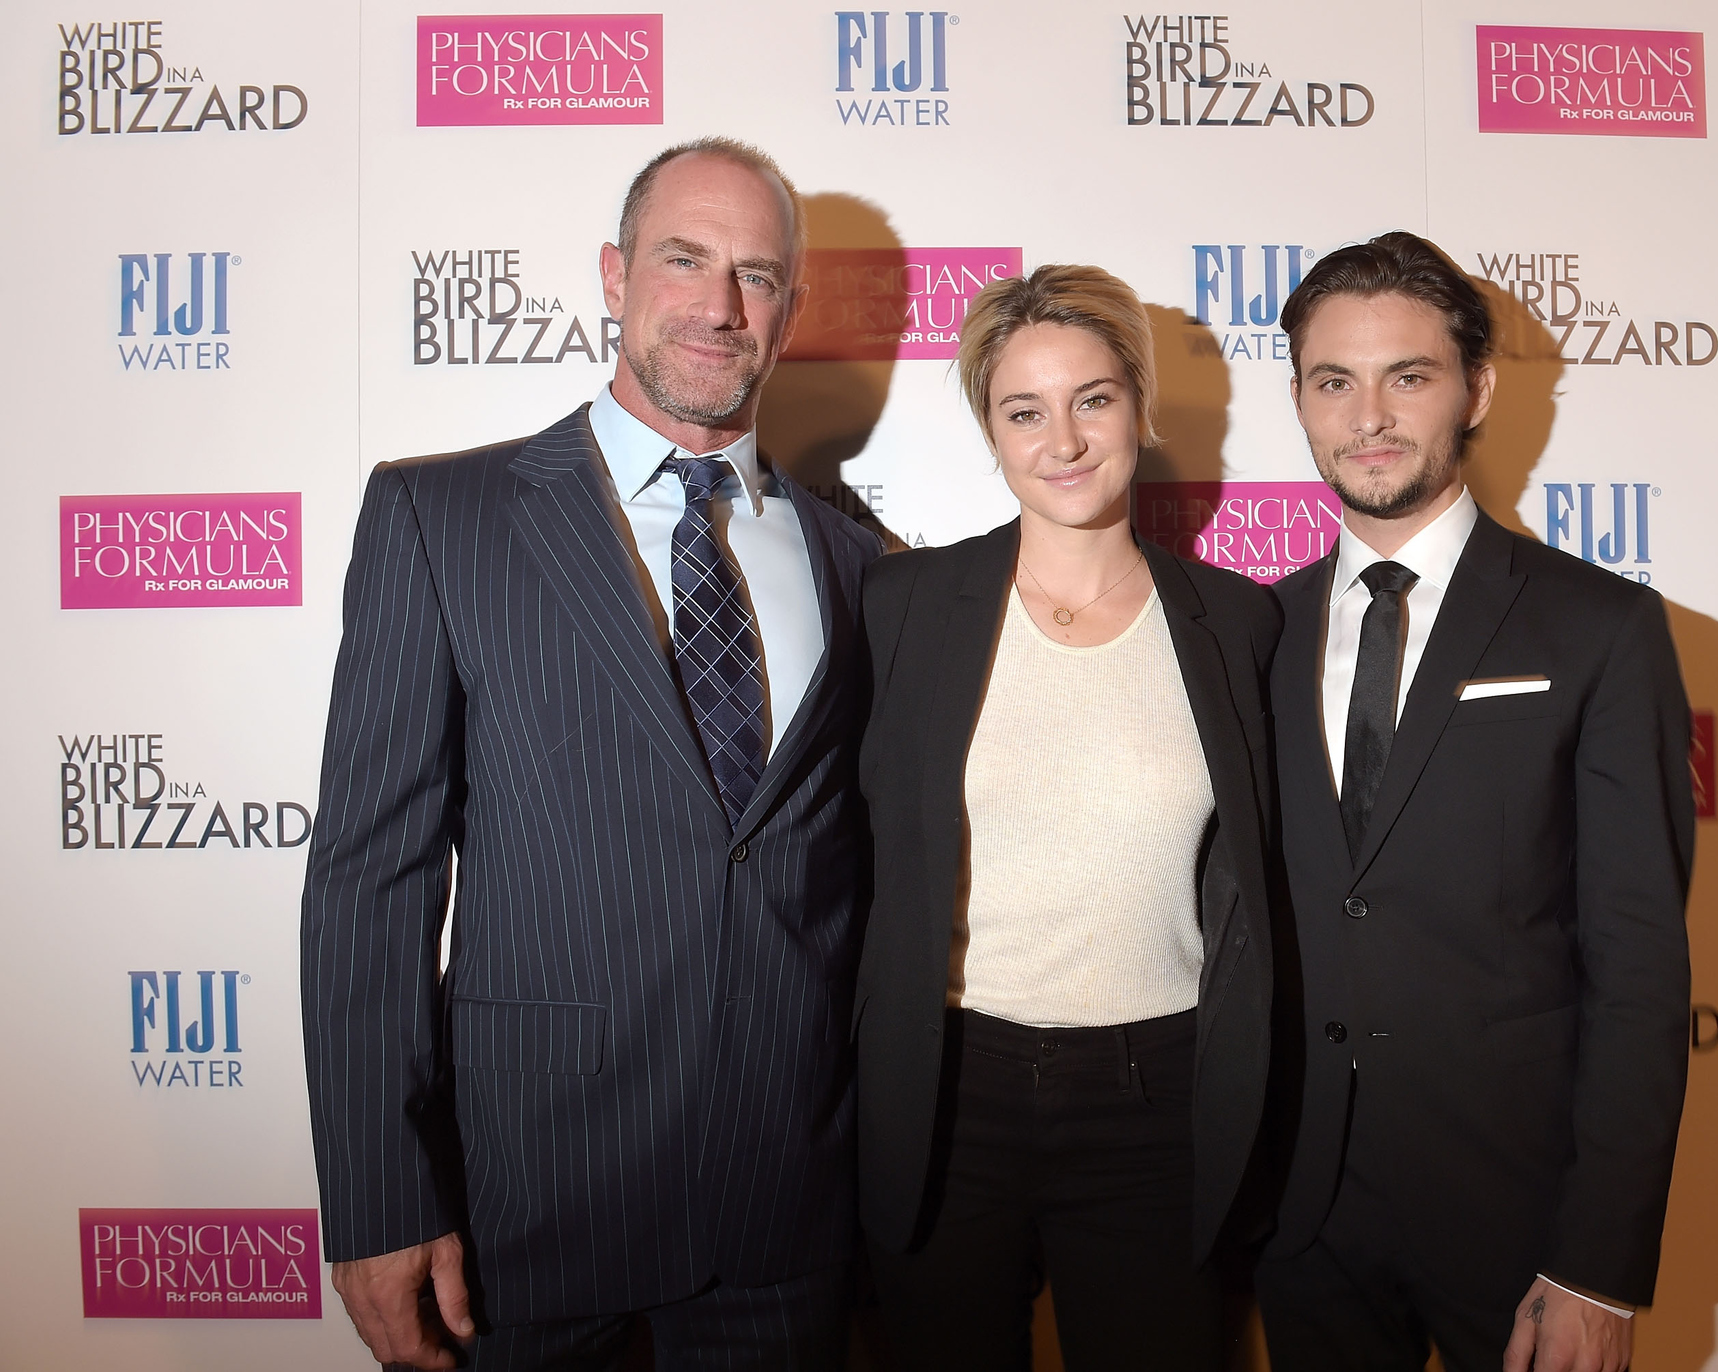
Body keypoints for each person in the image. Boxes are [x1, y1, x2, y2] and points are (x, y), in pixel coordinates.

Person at [300, 137, 881, 1371]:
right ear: (613, 277)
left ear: (787, 316)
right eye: (683, 259)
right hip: (524, 1219)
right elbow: (370, 880)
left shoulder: (859, 565)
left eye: (757, 275)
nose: (719, 306)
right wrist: (379, 1198)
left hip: (784, 1218)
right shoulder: (438, 518)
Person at [1254, 232, 1695, 1372]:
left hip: (1517, 1221)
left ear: (1476, 387)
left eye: (1408, 376)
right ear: (1297, 399)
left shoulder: (1600, 629)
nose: (1368, 417)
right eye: (1331, 381)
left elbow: (1639, 967)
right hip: (1299, 1218)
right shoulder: (1251, 631)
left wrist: (1596, 1265)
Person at [856, 264, 1281, 1371]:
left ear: (1140, 408)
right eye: (1022, 410)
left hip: (1159, 1101)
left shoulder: (1235, 625)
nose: (1064, 439)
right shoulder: (901, 608)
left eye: (1092, 398)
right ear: (989, 432)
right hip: (950, 1092)